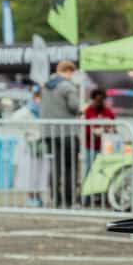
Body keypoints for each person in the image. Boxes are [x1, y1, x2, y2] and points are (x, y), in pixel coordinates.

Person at [40, 60, 82, 208]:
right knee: (70, 167)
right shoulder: (67, 86)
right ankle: (70, 201)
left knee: (55, 167)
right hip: (68, 132)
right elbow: (75, 106)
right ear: (69, 71)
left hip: (49, 133)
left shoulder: (45, 86)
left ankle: (56, 200)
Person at [82, 88, 116, 175]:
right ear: (93, 100)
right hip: (90, 147)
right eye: (97, 100)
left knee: (105, 171)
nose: (99, 102)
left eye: (101, 100)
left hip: (105, 147)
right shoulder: (88, 111)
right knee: (89, 169)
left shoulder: (108, 112)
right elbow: (86, 129)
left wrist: (106, 129)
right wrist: (96, 131)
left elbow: (114, 127)